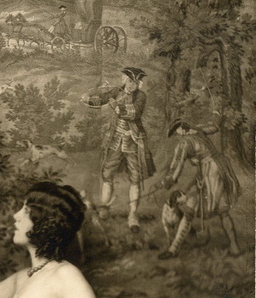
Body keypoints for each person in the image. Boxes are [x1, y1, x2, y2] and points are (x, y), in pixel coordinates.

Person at [158, 118, 241, 259]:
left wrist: (167, 181)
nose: (177, 136)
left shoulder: (185, 143)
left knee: (190, 209)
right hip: (222, 168)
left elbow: (177, 166)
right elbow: (215, 126)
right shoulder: (198, 130)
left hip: (211, 173)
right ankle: (235, 247)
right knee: (223, 211)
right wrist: (216, 114)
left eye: (177, 132)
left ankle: (173, 249)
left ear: (181, 130)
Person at [89, 67, 156, 232]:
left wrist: (117, 107)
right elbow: (102, 99)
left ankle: (133, 215)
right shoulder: (117, 91)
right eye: (130, 81)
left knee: (135, 177)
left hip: (133, 140)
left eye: (136, 82)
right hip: (116, 139)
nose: (132, 85)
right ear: (124, 80)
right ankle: (104, 207)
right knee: (107, 173)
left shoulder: (141, 96)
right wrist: (89, 99)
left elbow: (134, 113)